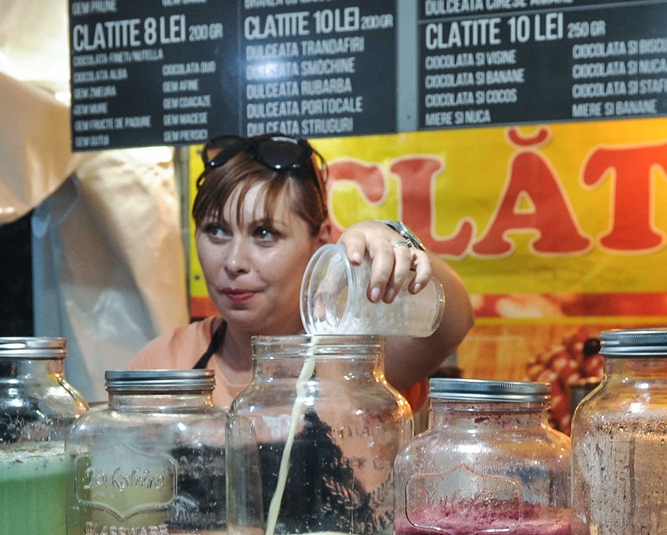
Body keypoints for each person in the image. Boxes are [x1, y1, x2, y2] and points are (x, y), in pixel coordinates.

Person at [129, 134, 475, 407]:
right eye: (216, 230)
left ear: (320, 240)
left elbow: (455, 320)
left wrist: (394, 239)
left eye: (265, 233)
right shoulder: (166, 364)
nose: (233, 262)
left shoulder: (359, 359)